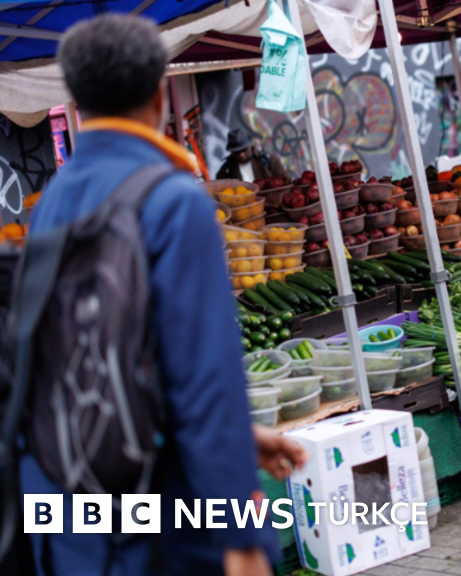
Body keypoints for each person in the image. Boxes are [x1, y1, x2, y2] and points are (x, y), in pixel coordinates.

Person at [22, 15, 307, 576]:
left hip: (71, 505)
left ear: (75, 101)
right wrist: (241, 537)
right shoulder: (174, 199)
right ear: (159, 94)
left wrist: (239, 437)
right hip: (158, 513)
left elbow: (95, 353)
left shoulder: (53, 204)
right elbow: (204, 376)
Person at [216, 129, 287, 181]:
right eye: (237, 152)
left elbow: (286, 180)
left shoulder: (267, 159)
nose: (241, 154)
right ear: (231, 152)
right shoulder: (227, 168)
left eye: (244, 150)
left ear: (250, 146)